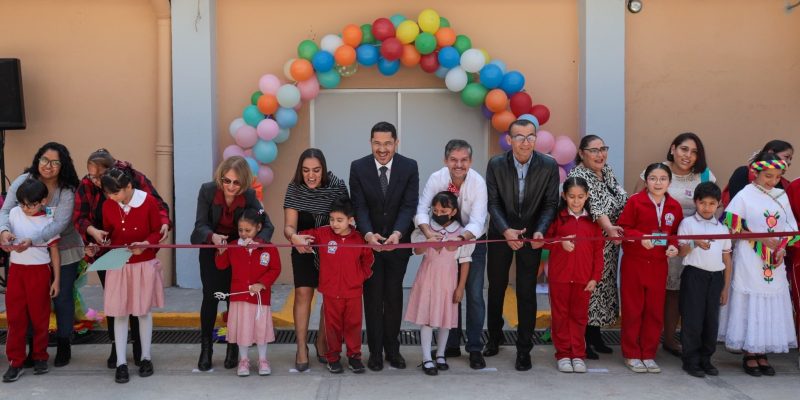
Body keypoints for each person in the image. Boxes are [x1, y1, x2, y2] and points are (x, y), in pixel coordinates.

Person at [72, 148, 171, 369]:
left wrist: (157, 231)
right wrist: (93, 234)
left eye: (99, 176)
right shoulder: (91, 190)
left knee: (140, 308)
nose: (96, 181)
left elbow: (158, 208)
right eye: (91, 176)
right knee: (117, 306)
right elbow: (80, 218)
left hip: (141, 261)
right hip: (112, 258)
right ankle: (118, 353)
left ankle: (141, 351)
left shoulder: (135, 180)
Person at [484, 119, 559, 371]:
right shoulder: (495, 164)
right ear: (509, 139)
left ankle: (523, 349)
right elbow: (492, 202)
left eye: (530, 137)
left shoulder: (548, 165)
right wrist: (506, 230)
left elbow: (550, 204)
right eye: (519, 137)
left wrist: (539, 231)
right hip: (500, 232)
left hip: (530, 235)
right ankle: (494, 338)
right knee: (496, 287)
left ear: (536, 139)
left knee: (526, 291)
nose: (525, 142)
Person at [0, 142, 83, 368]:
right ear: (38, 160)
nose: (49, 166)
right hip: (26, 254)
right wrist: (4, 231)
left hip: (62, 248)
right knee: (28, 303)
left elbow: (59, 224)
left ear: (62, 165)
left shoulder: (66, 190)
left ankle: (64, 344)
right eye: (45, 160)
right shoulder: (24, 180)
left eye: (55, 162)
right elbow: (6, 210)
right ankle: (30, 350)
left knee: (62, 297)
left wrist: (33, 240)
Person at [633, 133, 716, 357]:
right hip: (658, 245)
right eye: (684, 149)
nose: (688, 156)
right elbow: (637, 206)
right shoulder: (654, 172)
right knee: (659, 291)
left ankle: (671, 340)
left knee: (680, 293)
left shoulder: (705, 176)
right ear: (672, 149)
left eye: (694, 151)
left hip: (692, 244)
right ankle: (644, 342)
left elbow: (711, 207)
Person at [191, 156, 274, 372]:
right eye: (226, 180)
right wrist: (213, 237)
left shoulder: (249, 195)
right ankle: (206, 348)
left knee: (233, 299)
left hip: (238, 253)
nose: (230, 186)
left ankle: (233, 347)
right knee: (210, 297)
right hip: (212, 250)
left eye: (236, 183)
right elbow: (200, 225)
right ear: (220, 177)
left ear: (244, 183)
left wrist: (255, 242)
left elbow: (267, 225)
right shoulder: (207, 190)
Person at [718, 153, 798, 377]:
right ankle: (750, 352)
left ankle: (762, 351)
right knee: (751, 299)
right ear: (757, 173)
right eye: (768, 176)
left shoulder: (781, 195)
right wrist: (761, 238)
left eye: (777, 176)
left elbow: (791, 227)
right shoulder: (746, 194)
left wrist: (783, 247)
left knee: (771, 298)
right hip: (750, 256)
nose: (772, 181)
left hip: (775, 258)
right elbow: (731, 223)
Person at [349, 121, 419, 371]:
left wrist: (398, 233)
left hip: (397, 245)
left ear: (396, 143)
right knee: (373, 296)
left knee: (393, 296)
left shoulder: (409, 166)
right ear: (371, 143)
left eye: (387, 143)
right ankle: (375, 352)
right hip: (370, 245)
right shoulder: (358, 167)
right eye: (377, 143)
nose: (382, 148)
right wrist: (368, 234)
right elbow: (359, 206)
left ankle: (393, 349)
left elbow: (409, 205)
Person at [414, 139, 488, 369]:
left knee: (473, 294)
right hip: (440, 242)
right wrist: (428, 234)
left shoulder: (478, 182)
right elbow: (422, 210)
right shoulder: (437, 178)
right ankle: (450, 346)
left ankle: (474, 347)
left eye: (464, 160)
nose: (459, 165)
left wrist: (460, 239)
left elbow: (477, 220)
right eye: (454, 160)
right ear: (446, 160)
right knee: (448, 295)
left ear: (470, 161)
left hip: (470, 240)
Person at [100, 168, 167, 383]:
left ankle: (146, 357)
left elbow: (157, 231)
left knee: (142, 312)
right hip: (118, 263)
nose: (112, 197)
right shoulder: (108, 205)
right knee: (119, 313)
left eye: (116, 193)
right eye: (109, 194)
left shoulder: (148, 202)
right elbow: (109, 232)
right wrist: (101, 240)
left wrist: (146, 244)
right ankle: (121, 362)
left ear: (129, 187)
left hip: (143, 263)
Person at [293, 196, 374, 374]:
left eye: (339, 220)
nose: (335, 224)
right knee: (332, 328)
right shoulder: (323, 234)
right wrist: (297, 238)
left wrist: (359, 277)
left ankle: (354, 357)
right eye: (332, 219)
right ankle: (333, 358)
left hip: (353, 293)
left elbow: (367, 260)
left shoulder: (359, 238)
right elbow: (303, 235)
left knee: (353, 325)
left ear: (350, 220)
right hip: (331, 293)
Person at [283, 148, 347, 371]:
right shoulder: (294, 188)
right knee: (303, 293)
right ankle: (301, 346)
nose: (311, 175)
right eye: (306, 170)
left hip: (330, 248)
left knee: (328, 296)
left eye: (316, 170)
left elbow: (347, 218)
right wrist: (294, 237)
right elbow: (288, 226)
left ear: (324, 170)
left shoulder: (337, 185)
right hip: (303, 246)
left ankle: (322, 340)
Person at [617, 163, 683, 374]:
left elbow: (676, 235)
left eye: (663, 178)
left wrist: (674, 247)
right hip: (634, 263)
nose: (658, 182)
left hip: (658, 265)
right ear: (646, 181)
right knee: (633, 309)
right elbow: (624, 229)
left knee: (654, 311)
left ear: (669, 182)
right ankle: (631, 353)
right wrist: (639, 238)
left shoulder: (674, 206)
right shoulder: (635, 202)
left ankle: (648, 354)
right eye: (653, 178)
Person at [567, 135, 627, 359]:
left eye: (603, 148)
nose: (600, 154)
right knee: (589, 288)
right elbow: (595, 206)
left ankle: (595, 335)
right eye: (594, 150)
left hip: (610, 242)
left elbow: (621, 196)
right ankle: (583, 339)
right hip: (592, 239)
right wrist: (609, 228)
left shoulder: (606, 171)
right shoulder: (579, 175)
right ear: (582, 153)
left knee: (603, 289)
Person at [406, 191, 474, 376]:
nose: (438, 213)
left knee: (445, 319)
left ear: (453, 211)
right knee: (427, 319)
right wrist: (428, 241)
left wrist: (460, 287)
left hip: (448, 283)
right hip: (427, 280)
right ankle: (427, 357)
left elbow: (465, 261)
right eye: (435, 210)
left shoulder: (462, 233)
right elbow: (417, 251)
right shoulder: (425, 228)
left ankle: (441, 355)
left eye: (443, 210)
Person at [2, 179, 61, 382]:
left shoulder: (49, 220)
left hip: (39, 272)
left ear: (43, 201)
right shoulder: (13, 213)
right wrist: (6, 237)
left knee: (40, 317)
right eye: (22, 204)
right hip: (17, 272)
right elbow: (5, 232)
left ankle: (40, 356)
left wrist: (56, 280)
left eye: (31, 205)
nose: (26, 209)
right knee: (15, 318)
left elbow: (54, 250)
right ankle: (15, 362)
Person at [543, 177, 603, 374]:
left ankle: (578, 354)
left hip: (583, 280)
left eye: (580, 197)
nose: (576, 201)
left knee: (579, 317)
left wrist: (594, 277)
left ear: (587, 196)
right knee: (560, 317)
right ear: (564, 196)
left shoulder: (593, 224)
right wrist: (560, 241)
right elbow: (544, 242)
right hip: (559, 278)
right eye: (571, 197)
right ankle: (563, 355)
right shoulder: (558, 219)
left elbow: (598, 253)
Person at [215, 209, 281, 377]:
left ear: (258, 227)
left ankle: (263, 359)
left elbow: (275, 269)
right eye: (240, 230)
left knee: (260, 330)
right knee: (242, 330)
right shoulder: (233, 246)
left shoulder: (267, 247)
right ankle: (243, 360)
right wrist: (221, 252)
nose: (243, 234)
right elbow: (221, 266)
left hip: (259, 299)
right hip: (239, 297)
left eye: (247, 230)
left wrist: (262, 284)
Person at [676, 182, 732, 378]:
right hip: (694, 275)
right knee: (692, 319)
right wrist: (694, 243)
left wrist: (725, 288)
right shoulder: (687, 224)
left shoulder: (722, 229)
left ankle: (706, 359)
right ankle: (690, 360)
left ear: (718, 205)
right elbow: (681, 252)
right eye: (703, 203)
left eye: (712, 203)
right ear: (696, 202)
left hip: (715, 278)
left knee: (711, 320)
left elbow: (727, 258)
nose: (707, 207)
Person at [725, 140, 793, 203]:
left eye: (778, 177)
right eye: (786, 157)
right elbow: (736, 202)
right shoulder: (743, 173)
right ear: (756, 173)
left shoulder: (784, 185)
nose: (773, 182)